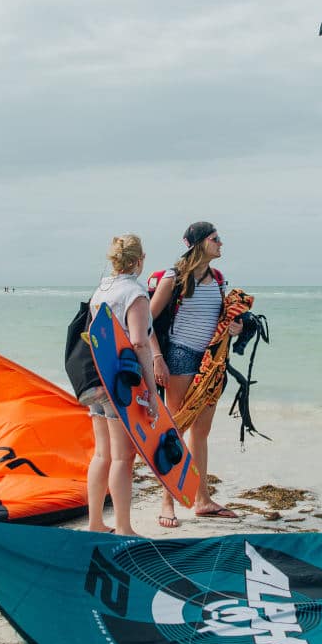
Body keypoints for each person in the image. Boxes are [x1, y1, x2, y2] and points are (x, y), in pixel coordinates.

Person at [151, 221, 243, 527]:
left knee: (201, 433)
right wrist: (157, 358)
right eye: (216, 239)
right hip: (180, 357)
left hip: (211, 361)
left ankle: (202, 501)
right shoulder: (174, 277)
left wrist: (235, 327)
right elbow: (147, 320)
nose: (221, 243)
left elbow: (218, 318)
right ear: (200, 242)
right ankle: (167, 502)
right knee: (174, 429)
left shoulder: (218, 279)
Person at [82, 235, 161, 536]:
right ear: (140, 260)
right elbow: (139, 341)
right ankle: (125, 528)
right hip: (123, 383)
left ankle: (95, 523)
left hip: (98, 379)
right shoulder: (135, 293)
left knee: (102, 455)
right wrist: (152, 392)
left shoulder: (101, 290)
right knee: (123, 457)